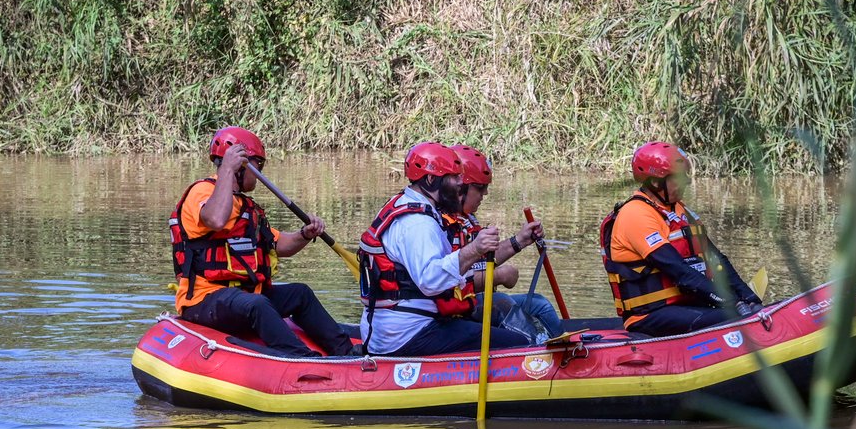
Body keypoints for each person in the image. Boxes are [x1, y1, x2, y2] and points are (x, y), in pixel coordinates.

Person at [170, 126, 355, 357]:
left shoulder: (246, 207)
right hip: (204, 299)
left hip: (243, 298)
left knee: (300, 294)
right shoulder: (202, 191)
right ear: (242, 164)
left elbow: (280, 245)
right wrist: (227, 170)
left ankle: (346, 352)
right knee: (256, 305)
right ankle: (302, 359)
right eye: (259, 164)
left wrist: (305, 234)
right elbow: (215, 219)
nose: (261, 171)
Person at [357, 142, 543, 357]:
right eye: (453, 177)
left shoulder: (415, 206)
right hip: (407, 334)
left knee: (503, 325)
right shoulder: (417, 223)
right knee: (517, 344)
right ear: (430, 179)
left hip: (407, 326)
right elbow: (431, 281)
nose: (459, 183)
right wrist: (474, 248)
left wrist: (517, 242)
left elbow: (456, 271)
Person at [599, 141, 762, 336]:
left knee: (748, 310)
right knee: (734, 317)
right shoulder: (635, 215)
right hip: (650, 315)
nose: (686, 181)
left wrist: (747, 296)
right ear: (655, 182)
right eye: (678, 176)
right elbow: (680, 272)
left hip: (687, 304)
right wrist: (731, 302)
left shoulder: (678, 210)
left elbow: (716, 260)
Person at [446, 144, 563, 343]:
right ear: (460, 187)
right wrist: (498, 276)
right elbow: (449, 279)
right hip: (455, 306)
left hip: (469, 299)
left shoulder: (467, 219)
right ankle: (535, 350)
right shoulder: (444, 223)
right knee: (501, 303)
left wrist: (520, 240)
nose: (485, 194)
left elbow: (482, 260)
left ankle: (564, 349)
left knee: (539, 304)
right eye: (481, 188)